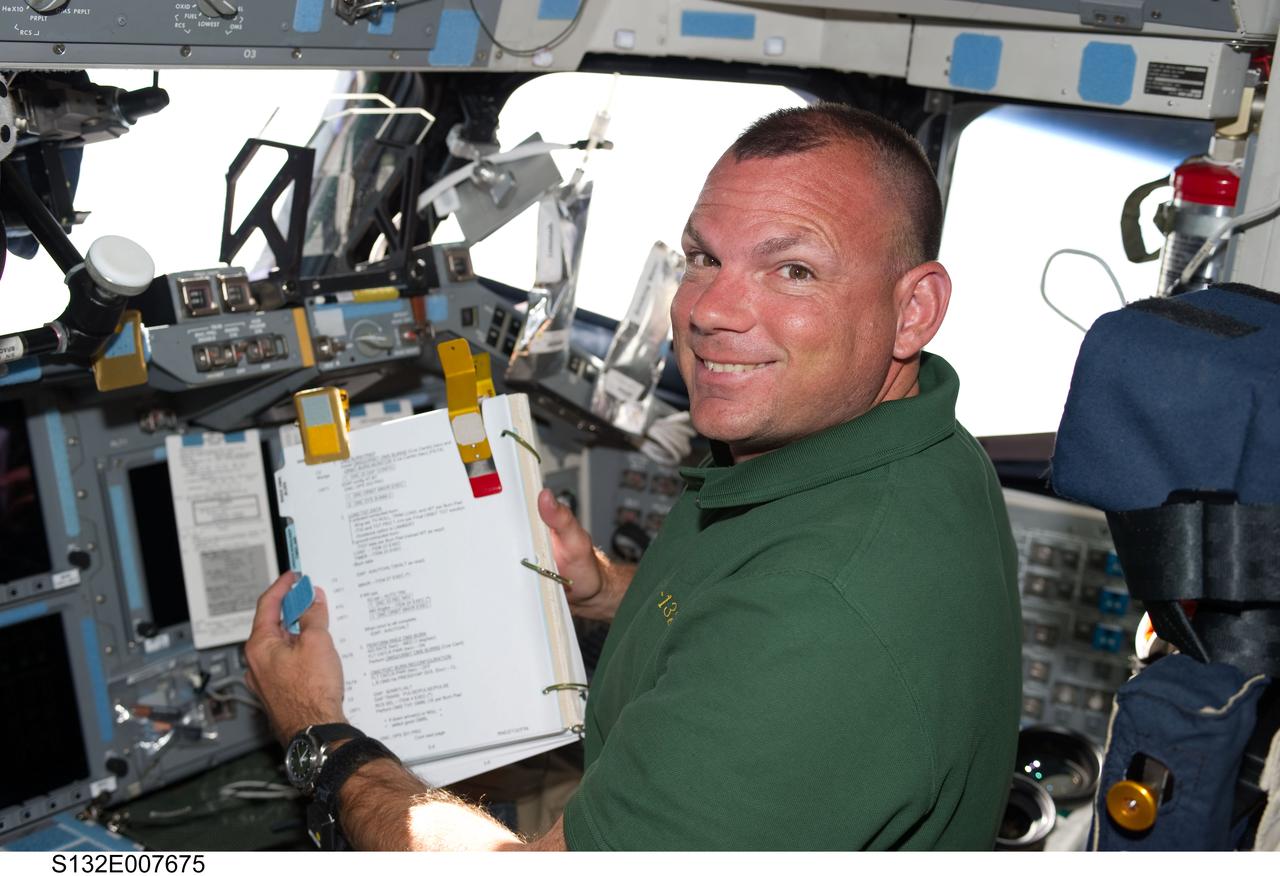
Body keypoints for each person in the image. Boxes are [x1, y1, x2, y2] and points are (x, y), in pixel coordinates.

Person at [245, 102, 1022, 851]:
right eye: (705, 259)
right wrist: (608, 590)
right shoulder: (912, 446)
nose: (711, 311)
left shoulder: (823, 613)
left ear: (915, 310)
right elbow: (743, 600)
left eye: (793, 270)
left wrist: (321, 735)